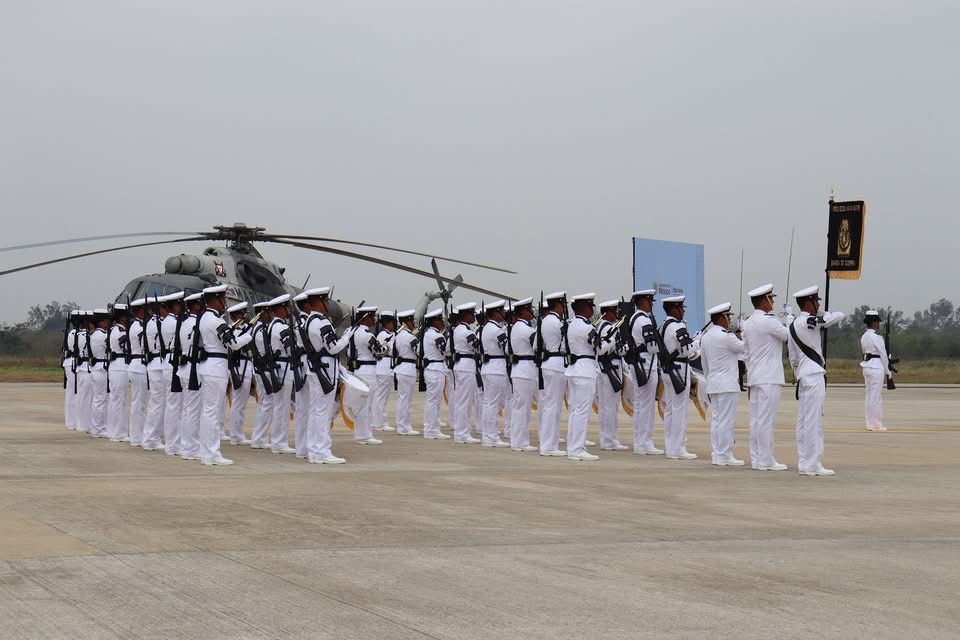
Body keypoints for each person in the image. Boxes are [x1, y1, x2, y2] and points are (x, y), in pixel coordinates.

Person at [193, 284, 254, 466]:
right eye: (223, 298)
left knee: (207, 412)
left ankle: (206, 452)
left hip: (207, 366)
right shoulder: (216, 321)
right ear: (216, 299)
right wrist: (249, 334)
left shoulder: (203, 318)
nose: (225, 302)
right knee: (212, 413)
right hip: (216, 367)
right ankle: (212, 453)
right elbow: (233, 344)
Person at [788, 285, 845, 476]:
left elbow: (792, 356)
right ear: (808, 303)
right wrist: (824, 313)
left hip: (804, 375)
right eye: (816, 301)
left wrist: (797, 373)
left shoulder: (792, 324)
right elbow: (838, 316)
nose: (819, 305)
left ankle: (805, 461)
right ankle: (813, 464)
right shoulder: (808, 321)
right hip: (813, 375)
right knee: (813, 421)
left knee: (804, 421)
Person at [741, 283, 791, 471]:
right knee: (766, 420)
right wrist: (790, 318)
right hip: (769, 377)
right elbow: (789, 336)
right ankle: (766, 459)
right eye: (771, 299)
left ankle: (757, 457)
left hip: (755, 376)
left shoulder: (747, 323)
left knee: (756, 420)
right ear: (764, 301)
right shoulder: (769, 321)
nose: (773, 302)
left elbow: (745, 352)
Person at [301, 287, 353, 464]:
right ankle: (322, 451)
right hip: (324, 370)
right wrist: (346, 337)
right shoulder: (322, 322)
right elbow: (333, 348)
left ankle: (314, 450)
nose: (328, 303)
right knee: (323, 412)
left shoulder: (308, 321)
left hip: (316, 369)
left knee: (316, 412)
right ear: (321, 302)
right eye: (326, 300)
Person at [565, 293, 611, 461]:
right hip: (585, 371)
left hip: (574, 369)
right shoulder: (587, 327)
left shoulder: (571, 324)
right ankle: (577, 449)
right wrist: (610, 341)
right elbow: (599, 349)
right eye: (591, 306)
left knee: (575, 411)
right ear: (584, 307)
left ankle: (573, 447)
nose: (592, 309)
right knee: (581, 411)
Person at [700, 303, 746, 466]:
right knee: (727, 421)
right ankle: (725, 454)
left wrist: (709, 380)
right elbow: (745, 348)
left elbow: (704, 364)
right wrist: (745, 331)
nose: (729, 320)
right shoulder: (727, 336)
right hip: (727, 384)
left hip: (713, 383)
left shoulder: (706, 337)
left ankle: (717, 453)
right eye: (728, 317)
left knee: (717, 420)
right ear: (721, 318)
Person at [660, 295, 700, 460]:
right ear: (674, 309)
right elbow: (686, 350)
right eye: (681, 308)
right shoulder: (678, 325)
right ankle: (678, 448)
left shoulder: (663, 325)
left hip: (667, 370)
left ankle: (670, 447)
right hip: (679, 370)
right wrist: (697, 342)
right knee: (680, 411)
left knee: (670, 409)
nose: (683, 311)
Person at [624, 290, 664, 455]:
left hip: (640, 363)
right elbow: (652, 347)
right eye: (649, 301)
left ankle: (640, 442)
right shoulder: (643, 320)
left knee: (641, 404)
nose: (651, 305)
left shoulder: (635, 318)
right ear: (642, 302)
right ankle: (644, 442)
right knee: (645, 406)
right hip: (646, 365)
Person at [536, 292, 568, 457]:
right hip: (556, 364)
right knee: (553, 407)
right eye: (562, 305)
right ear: (557, 305)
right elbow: (565, 344)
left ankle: (549, 443)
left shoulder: (545, 321)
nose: (564, 309)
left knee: (550, 405)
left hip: (548, 364)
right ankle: (549, 446)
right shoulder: (557, 322)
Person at [348, 305, 385, 445]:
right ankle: (365, 436)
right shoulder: (367, 335)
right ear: (366, 318)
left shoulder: (352, 333)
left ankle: (362, 434)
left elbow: (349, 353)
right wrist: (385, 346)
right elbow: (380, 351)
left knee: (361, 405)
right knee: (366, 405)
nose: (374, 319)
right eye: (372, 316)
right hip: (368, 370)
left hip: (358, 370)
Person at [266, 294, 297, 454]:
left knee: (279, 406)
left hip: (278, 367)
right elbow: (291, 349)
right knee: (283, 407)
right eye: (286, 307)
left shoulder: (272, 326)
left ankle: (277, 442)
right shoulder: (282, 327)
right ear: (280, 309)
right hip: (284, 368)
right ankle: (280, 443)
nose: (288, 311)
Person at [596, 300, 628, 451]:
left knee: (605, 406)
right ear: (607, 312)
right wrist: (624, 346)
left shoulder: (600, 326)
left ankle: (607, 438)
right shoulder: (609, 328)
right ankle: (610, 440)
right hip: (610, 369)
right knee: (610, 407)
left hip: (605, 369)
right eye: (614, 311)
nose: (616, 314)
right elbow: (615, 350)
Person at [177, 292, 206, 460]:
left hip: (185, 368)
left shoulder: (184, 323)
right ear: (195, 305)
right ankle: (191, 448)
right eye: (201, 304)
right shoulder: (197, 323)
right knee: (194, 411)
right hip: (193, 369)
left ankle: (186, 445)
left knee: (188, 410)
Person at [508, 298, 538, 452]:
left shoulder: (515, 327)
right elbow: (538, 347)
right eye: (529, 309)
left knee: (519, 407)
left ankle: (518, 440)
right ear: (524, 311)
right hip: (526, 370)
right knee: (523, 408)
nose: (532, 312)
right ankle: (520, 442)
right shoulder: (527, 330)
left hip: (519, 369)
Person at [479, 301, 510, 447]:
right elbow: (507, 349)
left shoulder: (486, 328)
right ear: (496, 313)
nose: (504, 313)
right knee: (493, 404)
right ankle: (492, 437)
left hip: (487, 366)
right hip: (496, 367)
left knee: (488, 403)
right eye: (501, 311)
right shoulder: (498, 330)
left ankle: (487, 435)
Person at [451, 302, 482, 444]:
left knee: (460, 401)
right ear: (466, 315)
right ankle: (463, 433)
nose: (474, 316)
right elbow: (478, 347)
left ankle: (460, 431)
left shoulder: (457, 329)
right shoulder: (467, 332)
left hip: (460, 365)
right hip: (467, 365)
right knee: (465, 401)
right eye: (472, 314)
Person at [142, 296, 169, 451]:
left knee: (157, 402)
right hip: (158, 364)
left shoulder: (150, 323)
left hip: (155, 363)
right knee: (157, 403)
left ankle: (151, 436)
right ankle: (151, 438)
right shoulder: (158, 323)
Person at [421, 308, 452, 439]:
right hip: (436, 368)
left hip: (432, 368)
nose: (443, 322)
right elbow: (447, 352)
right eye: (440, 320)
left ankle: (431, 428)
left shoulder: (428, 333)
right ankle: (431, 430)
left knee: (432, 401)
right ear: (435, 321)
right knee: (434, 402)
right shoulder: (436, 335)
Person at [161, 292, 185, 456]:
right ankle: (173, 444)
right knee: (175, 405)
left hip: (170, 361)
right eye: (179, 304)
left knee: (174, 405)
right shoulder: (173, 322)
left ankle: (173, 443)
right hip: (173, 362)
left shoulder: (169, 321)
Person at [249, 302, 275, 449]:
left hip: (261, 369)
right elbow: (266, 351)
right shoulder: (261, 331)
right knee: (268, 403)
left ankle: (259, 437)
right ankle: (259, 438)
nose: (271, 315)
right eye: (269, 312)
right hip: (264, 369)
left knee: (264, 403)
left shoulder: (258, 329)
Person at [860, 309, 891, 432]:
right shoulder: (877, 337)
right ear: (873, 323)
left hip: (867, 366)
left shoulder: (864, 336)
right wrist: (888, 370)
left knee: (869, 396)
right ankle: (876, 424)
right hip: (877, 367)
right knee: (876, 397)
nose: (878, 324)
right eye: (877, 322)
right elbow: (883, 355)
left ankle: (869, 423)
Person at [392, 310, 420, 436]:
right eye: (411, 320)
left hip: (401, 367)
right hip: (408, 368)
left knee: (403, 399)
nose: (413, 322)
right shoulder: (410, 337)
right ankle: (404, 427)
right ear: (406, 322)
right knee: (406, 400)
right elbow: (418, 352)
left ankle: (403, 425)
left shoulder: (398, 336)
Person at [289, 294, 311, 456]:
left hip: (300, 363)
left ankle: (302, 447)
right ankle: (305, 447)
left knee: (303, 408)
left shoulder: (298, 322)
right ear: (307, 306)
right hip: (306, 363)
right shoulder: (305, 322)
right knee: (307, 408)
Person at [106, 304, 130, 442]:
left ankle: (113, 430)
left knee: (115, 400)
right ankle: (118, 433)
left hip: (115, 366)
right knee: (119, 401)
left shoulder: (114, 330)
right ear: (122, 318)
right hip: (120, 366)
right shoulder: (121, 332)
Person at [127, 299, 148, 447]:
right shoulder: (138, 327)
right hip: (139, 364)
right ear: (140, 311)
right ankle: (136, 436)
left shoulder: (136, 325)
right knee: (139, 404)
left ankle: (138, 434)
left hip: (137, 365)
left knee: (140, 403)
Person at [86, 309, 111, 438]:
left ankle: (98, 426)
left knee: (99, 399)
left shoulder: (95, 334)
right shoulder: (102, 335)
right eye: (106, 321)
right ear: (101, 322)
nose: (108, 323)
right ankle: (97, 428)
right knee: (100, 400)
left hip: (97, 368)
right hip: (101, 368)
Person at [371, 311, 397, 433]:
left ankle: (377, 421)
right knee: (381, 397)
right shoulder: (383, 335)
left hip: (386, 366)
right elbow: (386, 350)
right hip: (384, 365)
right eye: (393, 322)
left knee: (381, 396)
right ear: (388, 323)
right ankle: (379, 423)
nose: (394, 325)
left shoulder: (388, 334)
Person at [74, 311, 93, 434]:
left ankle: (80, 423)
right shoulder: (87, 335)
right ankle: (85, 425)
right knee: (87, 398)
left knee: (82, 397)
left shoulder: (77, 334)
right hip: (86, 367)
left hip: (81, 368)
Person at [63, 311, 81, 430]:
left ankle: (70, 421)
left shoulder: (71, 332)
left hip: (69, 362)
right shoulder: (76, 333)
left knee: (71, 393)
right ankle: (73, 421)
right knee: (75, 393)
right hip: (74, 362)